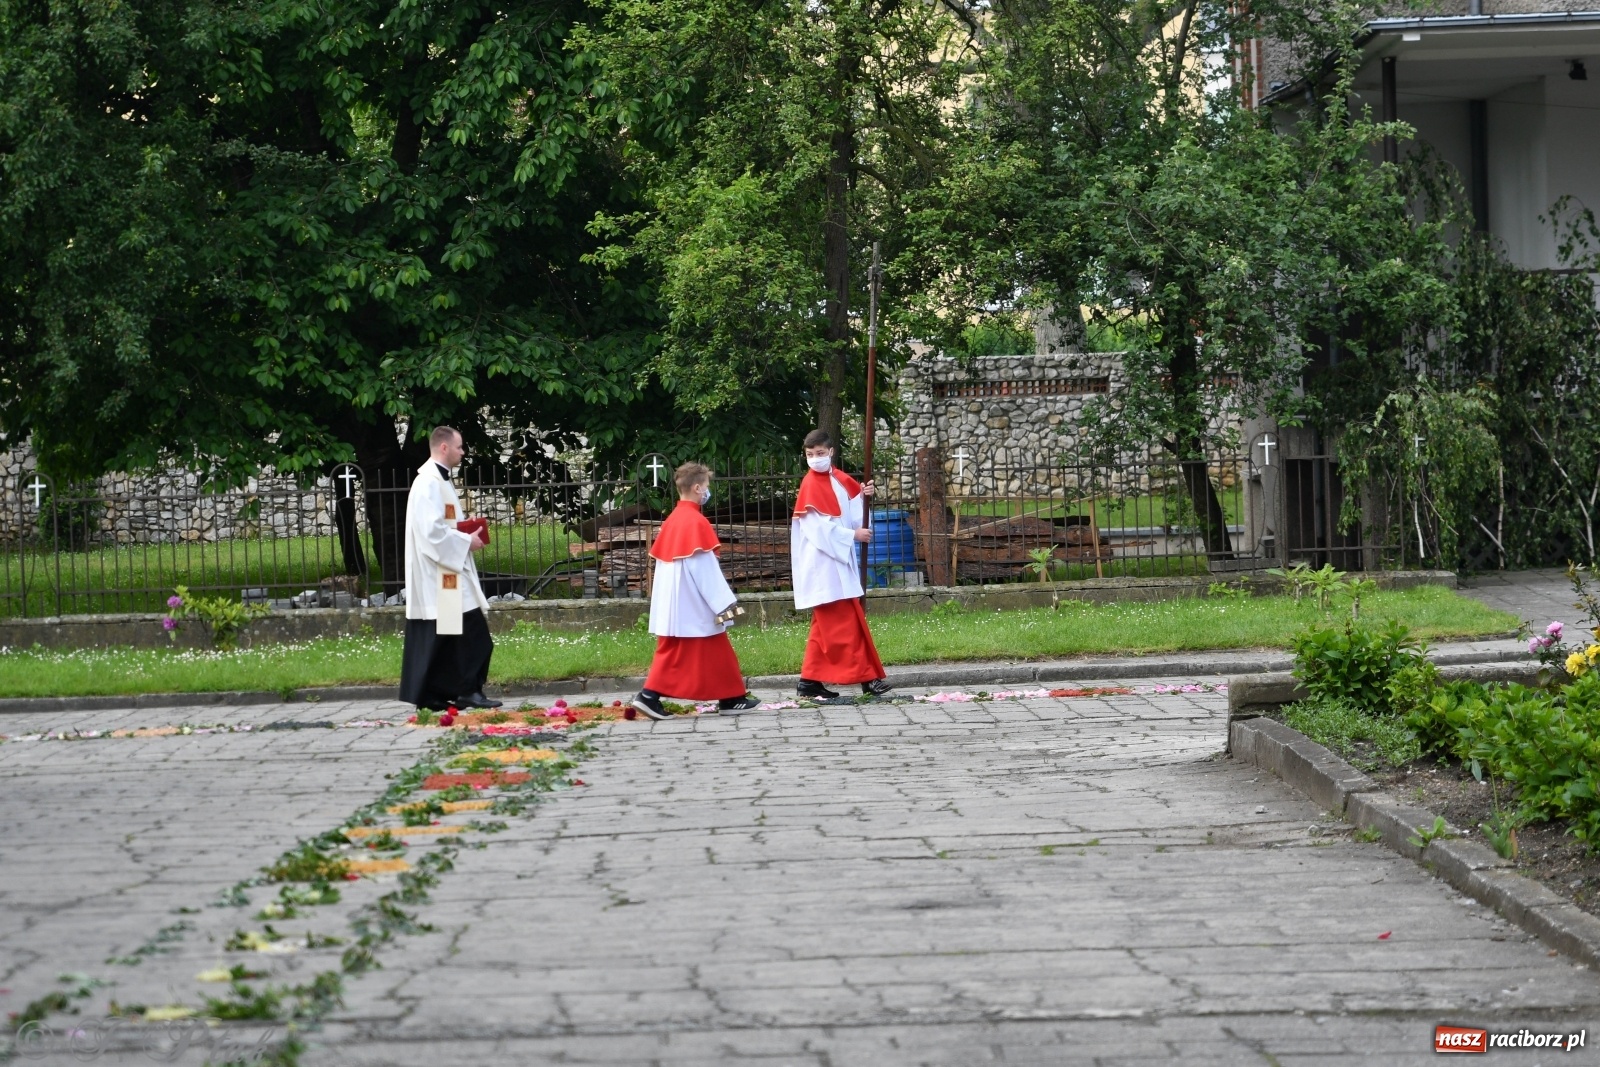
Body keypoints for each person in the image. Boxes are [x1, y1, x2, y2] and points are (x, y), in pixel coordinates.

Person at [631, 463, 761, 720]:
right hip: (692, 601)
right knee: (678, 650)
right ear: (697, 487)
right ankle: (648, 695)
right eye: (707, 488)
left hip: (676, 600)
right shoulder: (695, 521)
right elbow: (704, 570)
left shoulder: (673, 520)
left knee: (710, 647)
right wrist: (724, 604)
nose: (707, 492)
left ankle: (731, 697)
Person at [398, 425, 502, 711]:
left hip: (448, 572)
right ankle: (467, 691)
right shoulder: (429, 483)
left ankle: (431, 694)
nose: (463, 451)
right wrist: (466, 540)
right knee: (475, 636)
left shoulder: (439, 482)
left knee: (448, 637)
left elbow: (443, 525)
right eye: (460, 446)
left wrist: (463, 529)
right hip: (440, 573)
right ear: (444, 447)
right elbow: (431, 533)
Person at [791, 429, 891, 701]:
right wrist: (852, 536)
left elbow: (857, 512)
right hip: (822, 566)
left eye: (820, 454)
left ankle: (809, 682)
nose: (815, 459)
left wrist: (864, 494)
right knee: (845, 624)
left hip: (838, 563)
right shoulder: (810, 485)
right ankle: (868, 679)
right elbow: (817, 529)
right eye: (810, 455)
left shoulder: (841, 479)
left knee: (824, 628)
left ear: (831, 451)